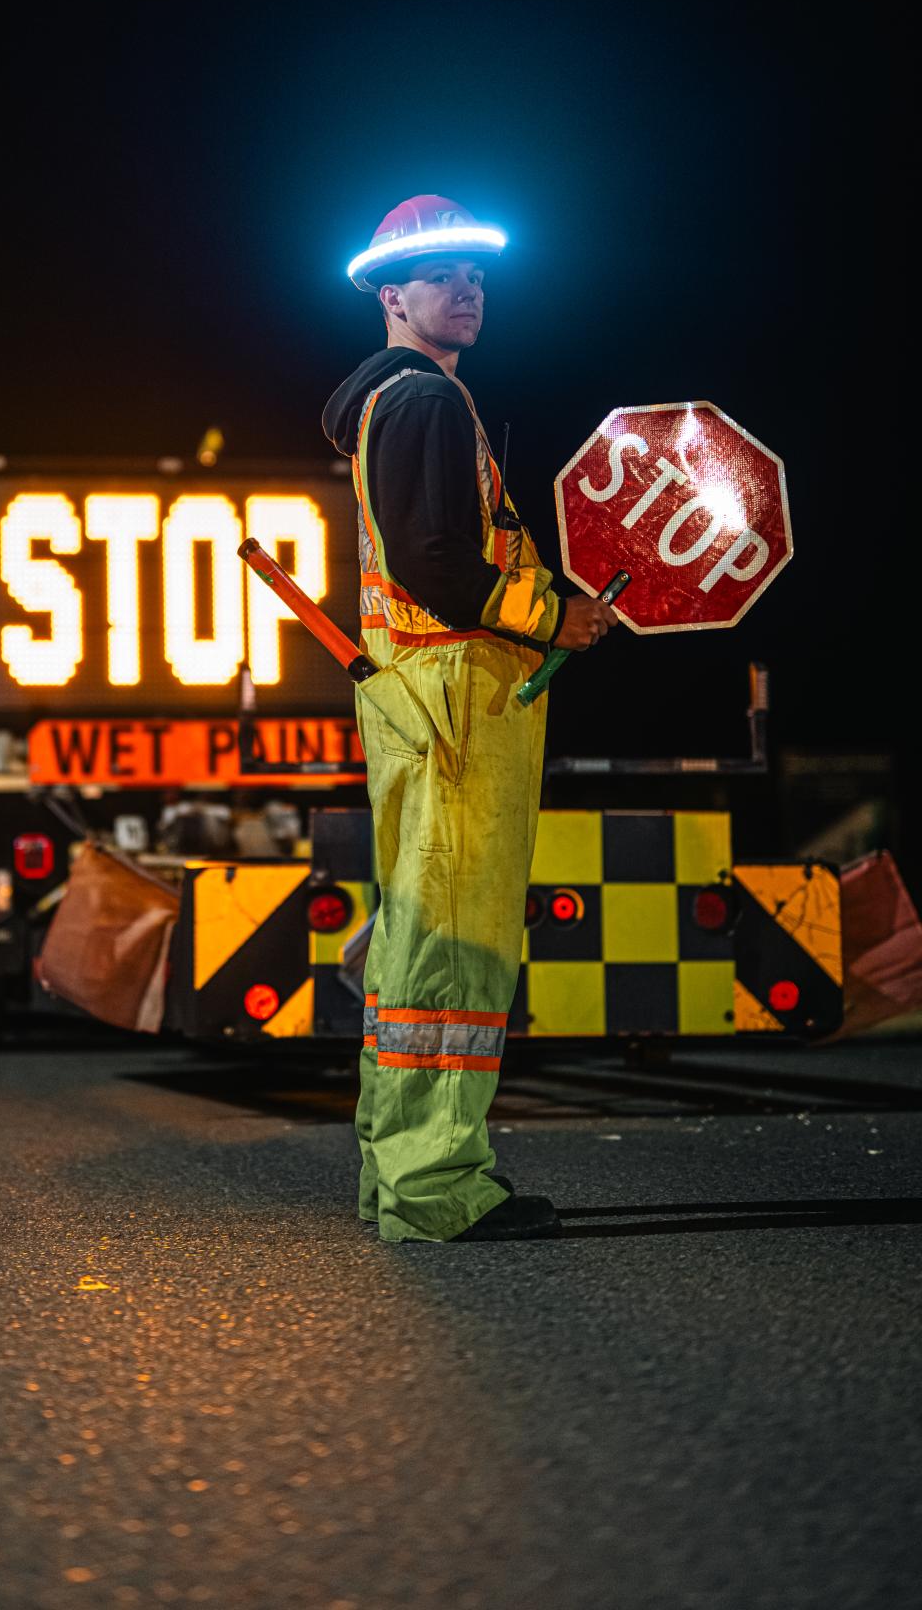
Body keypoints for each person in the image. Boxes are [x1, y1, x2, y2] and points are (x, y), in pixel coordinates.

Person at [322, 194, 619, 1241]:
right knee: (451, 949)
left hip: (420, 697)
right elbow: (436, 563)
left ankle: (398, 1176)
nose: (467, 291)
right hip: (455, 702)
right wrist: (550, 615)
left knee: (416, 940)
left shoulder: (399, 403)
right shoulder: (424, 402)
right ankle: (437, 1189)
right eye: (441, 276)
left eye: (477, 277)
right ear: (390, 295)